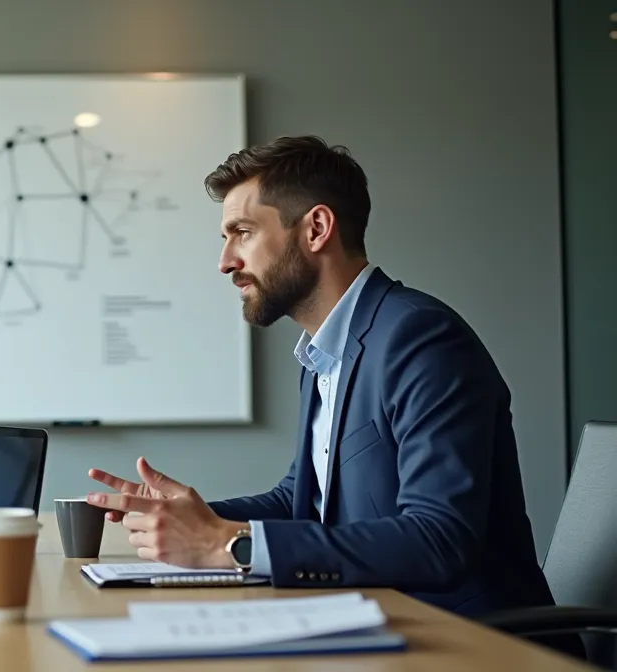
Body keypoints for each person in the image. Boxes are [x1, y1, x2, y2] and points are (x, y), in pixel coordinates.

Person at [86, 136, 582, 656]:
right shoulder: (325, 353)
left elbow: (439, 538)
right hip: (376, 626)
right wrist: (192, 517)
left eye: (243, 233)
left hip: (472, 646)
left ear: (317, 229)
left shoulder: (420, 339)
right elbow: (302, 502)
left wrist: (225, 544)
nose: (226, 262)